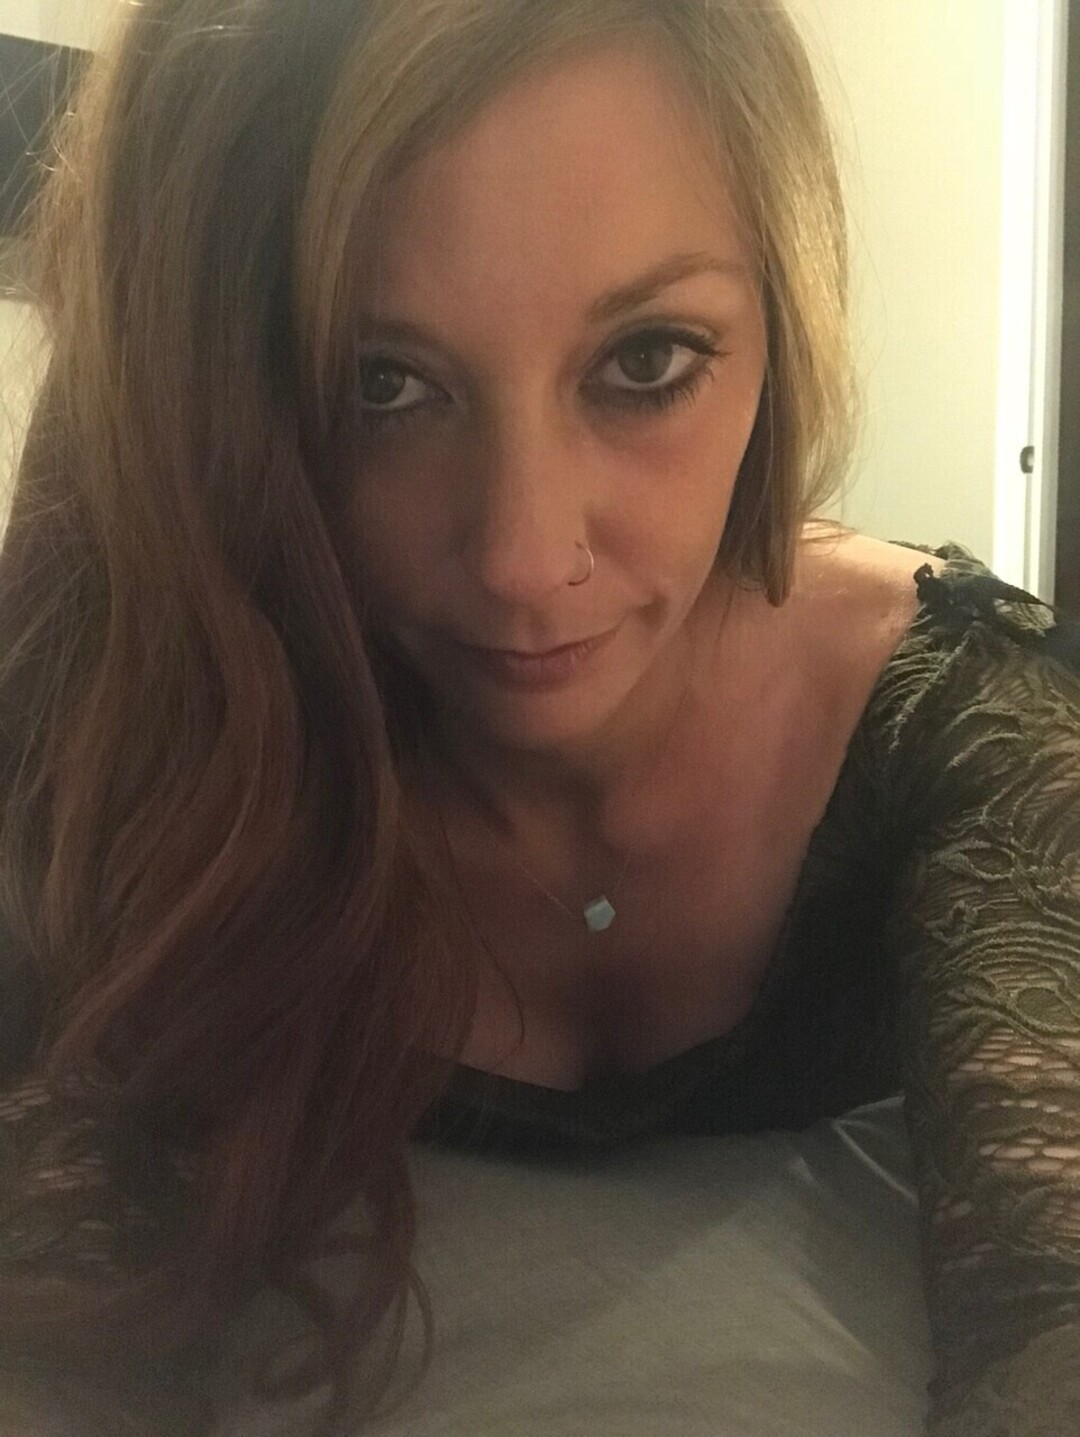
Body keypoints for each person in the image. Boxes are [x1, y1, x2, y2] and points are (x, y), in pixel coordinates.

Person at [0, 0, 1077, 1434]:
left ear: (779, 320)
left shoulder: (968, 732)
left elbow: (1053, 1304)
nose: (522, 558)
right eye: (382, 384)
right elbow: (60, 1303)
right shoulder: (170, 701)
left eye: (647, 362)